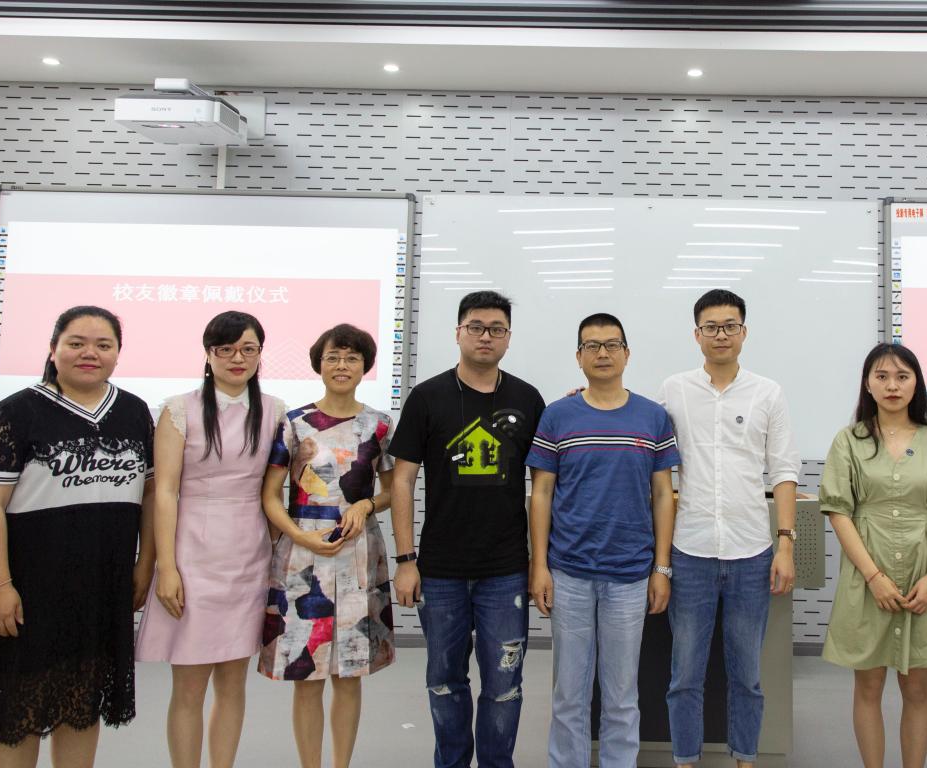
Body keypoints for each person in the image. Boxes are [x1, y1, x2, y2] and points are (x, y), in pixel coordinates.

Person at [0, 305, 156, 768]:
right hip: (32, 589)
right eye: (76, 343)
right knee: (17, 712)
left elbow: (151, 496)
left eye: (103, 345)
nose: (90, 353)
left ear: (117, 353)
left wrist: (144, 564)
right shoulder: (16, 412)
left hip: (102, 586)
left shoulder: (133, 412)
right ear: (53, 349)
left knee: (81, 703)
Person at [387, 291, 545, 768]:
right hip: (440, 571)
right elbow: (402, 481)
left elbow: (543, 488)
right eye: (476, 326)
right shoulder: (427, 397)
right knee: (444, 681)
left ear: (509, 338)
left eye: (497, 329)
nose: (485, 336)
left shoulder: (528, 399)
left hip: (506, 571)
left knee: (504, 685)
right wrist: (405, 560)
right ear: (458, 332)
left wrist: (539, 564)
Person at [527, 312, 680, 768]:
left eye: (612, 345)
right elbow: (542, 493)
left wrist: (661, 567)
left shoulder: (653, 417)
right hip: (569, 573)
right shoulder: (557, 416)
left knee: (621, 694)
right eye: (592, 346)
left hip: (630, 576)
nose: (603, 353)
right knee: (569, 694)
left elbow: (663, 495)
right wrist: (539, 565)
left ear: (627, 354)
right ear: (578, 357)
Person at [657, 289, 799, 768]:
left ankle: (745, 759)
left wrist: (785, 545)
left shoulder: (768, 393)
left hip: (751, 553)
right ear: (697, 334)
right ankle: (685, 760)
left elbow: (783, 471)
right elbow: (639, 433)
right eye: (711, 327)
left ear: (744, 332)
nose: (721, 334)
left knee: (747, 677)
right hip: (691, 551)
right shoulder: (674, 389)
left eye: (730, 326)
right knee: (685, 676)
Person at [135, 311, 284, 768]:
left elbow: (274, 491)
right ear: (208, 353)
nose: (238, 358)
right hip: (191, 554)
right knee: (189, 687)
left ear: (260, 354)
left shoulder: (275, 411)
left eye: (248, 349)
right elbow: (164, 491)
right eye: (226, 349)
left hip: (249, 555)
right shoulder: (178, 409)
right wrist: (165, 567)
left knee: (233, 684)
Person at [820, 343, 927, 768]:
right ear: (867, 384)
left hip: (923, 575)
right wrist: (874, 577)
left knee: (917, 690)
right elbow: (839, 512)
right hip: (867, 574)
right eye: (881, 376)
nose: (892, 385)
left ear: (916, 383)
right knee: (868, 688)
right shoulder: (849, 441)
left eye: (902, 376)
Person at [257, 324, 396, 768]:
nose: (342, 365)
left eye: (352, 358)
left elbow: (393, 490)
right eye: (333, 357)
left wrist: (366, 504)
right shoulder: (294, 422)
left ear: (365, 366)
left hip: (358, 555)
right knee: (307, 674)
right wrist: (298, 535)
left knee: (350, 675)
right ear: (319, 364)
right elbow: (270, 495)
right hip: (302, 555)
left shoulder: (379, 424)